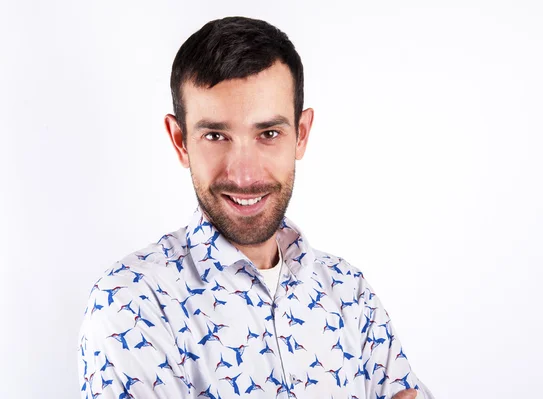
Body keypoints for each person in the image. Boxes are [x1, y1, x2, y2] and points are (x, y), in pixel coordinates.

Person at [78, 16, 434, 399]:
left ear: (301, 134)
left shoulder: (350, 292)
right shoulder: (132, 303)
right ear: (180, 141)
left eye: (268, 133)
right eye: (215, 135)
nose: (244, 174)